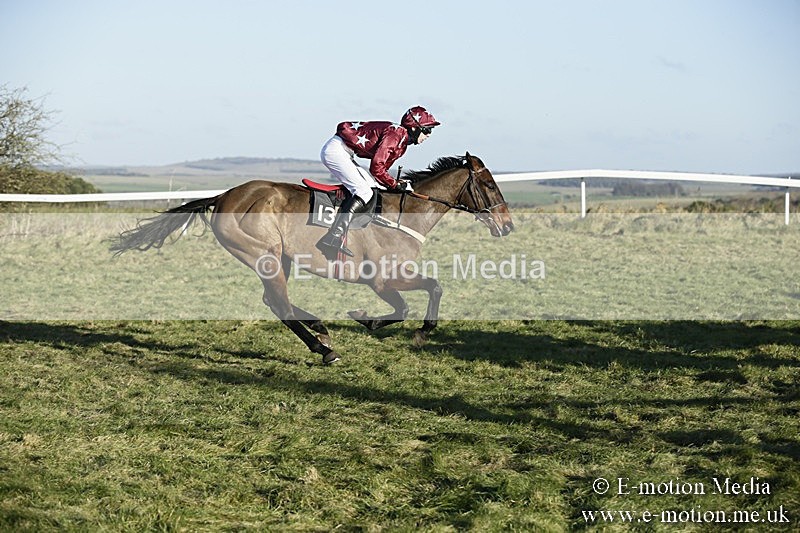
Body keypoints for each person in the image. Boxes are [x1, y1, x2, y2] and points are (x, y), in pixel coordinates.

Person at [315, 105, 440, 258]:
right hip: (337, 151)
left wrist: (396, 183)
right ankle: (333, 237)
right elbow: (376, 168)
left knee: (372, 187)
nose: (428, 135)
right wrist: (395, 184)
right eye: (427, 130)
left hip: (346, 152)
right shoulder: (396, 135)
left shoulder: (402, 142)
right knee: (364, 192)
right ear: (414, 128)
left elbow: (380, 174)